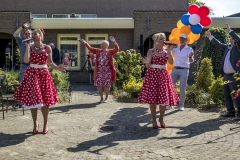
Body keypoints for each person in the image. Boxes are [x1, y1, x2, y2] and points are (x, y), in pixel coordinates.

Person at [13, 28, 68, 134]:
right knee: (33, 101)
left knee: (45, 102)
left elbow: (50, 63)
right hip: (32, 75)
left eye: (35, 34)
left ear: (41, 35)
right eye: (32, 34)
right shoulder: (30, 46)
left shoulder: (47, 48)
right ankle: (35, 123)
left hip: (43, 75)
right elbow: (26, 61)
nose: (33, 35)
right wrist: (28, 46)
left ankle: (46, 123)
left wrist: (58, 68)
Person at [138, 33, 179, 129]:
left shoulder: (166, 50)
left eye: (164, 38)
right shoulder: (151, 51)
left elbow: (171, 62)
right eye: (161, 39)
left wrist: (169, 50)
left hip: (163, 76)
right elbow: (148, 66)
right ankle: (153, 119)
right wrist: (147, 63)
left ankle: (161, 118)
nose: (164, 40)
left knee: (163, 99)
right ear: (156, 41)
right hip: (152, 76)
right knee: (152, 100)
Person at [205, 23, 240, 120]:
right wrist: (210, 36)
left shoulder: (238, 49)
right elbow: (219, 44)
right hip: (226, 76)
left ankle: (239, 113)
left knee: (236, 95)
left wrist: (230, 31)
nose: (231, 40)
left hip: (234, 76)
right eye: (230, 39)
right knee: (226, 94)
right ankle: (230, 111)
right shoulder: (227, 47)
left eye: (233, 39)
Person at [79, 36, 119, 103]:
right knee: (99, 85)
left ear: (106, 46)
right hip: (99, 72)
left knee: (106, 85)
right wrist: (85, 42)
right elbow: (90, 49)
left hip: (107, 72)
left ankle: (106, 98)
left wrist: (114, 42)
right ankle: (101, 98)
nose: (101, 45)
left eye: (103, 44)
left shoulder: (110, 52)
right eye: (101, 44)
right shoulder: (98, 51)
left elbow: (116, 49)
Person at [166, 33, 194, 111]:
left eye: (183, 39)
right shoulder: (176, 47)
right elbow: (169, 50)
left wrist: (190, 57)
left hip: (184, 69)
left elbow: (191, 61)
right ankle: (169, 104)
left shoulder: (189, 49)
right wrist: (169, 46)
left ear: (186, 40)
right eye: (181, 38)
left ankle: (181, 105)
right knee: (170, 86)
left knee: (182, 88)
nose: (182, 40)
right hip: (175, 69)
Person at [13, 22, 32, 109]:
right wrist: (22, 27)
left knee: (32, 85)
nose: (27, 35)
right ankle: (19, 103)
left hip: (32, 66)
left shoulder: (34, 43)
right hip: (24, 66)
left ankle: (30, 102)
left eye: (29, 33)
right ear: (24, 35)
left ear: (31, 35)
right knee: (22, 84)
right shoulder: (22, 42)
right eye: (26, 33)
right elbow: (15, 34)